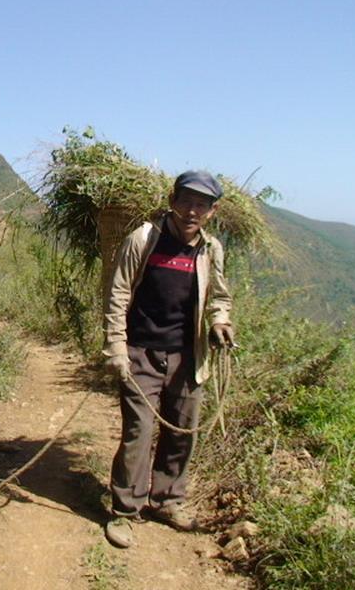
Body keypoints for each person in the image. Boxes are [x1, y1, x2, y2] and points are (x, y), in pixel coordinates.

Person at [102, 170, 234, 549]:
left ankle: (167, 500)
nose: (192, 210)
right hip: (140, 353)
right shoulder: (144, 239)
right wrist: (116, 347)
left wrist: (220, 321)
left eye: (202, 204)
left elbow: (220, 296)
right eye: (186, 201)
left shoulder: (210, 250)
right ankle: (125, 511)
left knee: (181, 432)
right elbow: (118, 294)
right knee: (138, 433)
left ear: (212, 210)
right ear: (172, 201)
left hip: (188, 357)